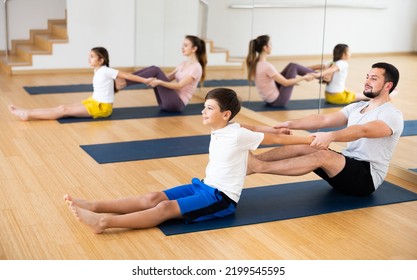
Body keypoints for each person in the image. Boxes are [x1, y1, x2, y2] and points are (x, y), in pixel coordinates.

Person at [64, 87, 314, 234]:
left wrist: (310, 141)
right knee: (153, 197)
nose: (203, 112)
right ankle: (95, 206)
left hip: (221, 199)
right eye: (204, 107)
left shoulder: (237, 135)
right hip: (203, 186)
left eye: (209, 108)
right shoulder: (231, 127)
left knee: (163, 209)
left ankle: (103, 222)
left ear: (224, 114)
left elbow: (277, 142)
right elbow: (247, 124)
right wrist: (273, 127)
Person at [245, 62, 403, 196]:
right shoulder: (358, 107)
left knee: (322, 155)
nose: (367, 81)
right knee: (307, 146)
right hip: (345, 166)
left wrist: (331, 136)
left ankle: (258, 166)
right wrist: (290, 124)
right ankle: (248, 163)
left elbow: (363, 131)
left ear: (388, 85)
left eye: (374, 79)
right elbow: (324, 119)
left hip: (366, 177)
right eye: (367, 77)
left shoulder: (391, 115)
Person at [8, 47, 153, 121]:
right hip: (94, 101)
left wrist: (145, 80)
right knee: (62, 107)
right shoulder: (99, 70)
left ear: (101, 60)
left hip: (102, 108)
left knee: (63, 111)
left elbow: (127, 75)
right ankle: (27, 111)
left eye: (92, 57)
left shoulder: (105, 70)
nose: (89, 59)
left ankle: (27, 114)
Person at [116, 35, 207, 112]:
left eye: (186, 45)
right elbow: (167, 77)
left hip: (176, 104)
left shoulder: (196, 67)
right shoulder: (183, 63)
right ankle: (123, 81)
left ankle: (123, 82)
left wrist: (159, 82)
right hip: (165, 102)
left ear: (194, 48)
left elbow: (179, 86)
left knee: (156, 70)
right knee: (154, 70)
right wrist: (151, 80)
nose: (182, 47)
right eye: (182, 45)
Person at [245, 34, 316, 107]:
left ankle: (320, 74)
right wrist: (304, 78)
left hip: (268, 100)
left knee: (292, 66)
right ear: (265, 48)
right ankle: (320, 75)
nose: (272, 46)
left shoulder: (256, 64)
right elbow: (286, 83)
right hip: (278, 101)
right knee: (294, 66)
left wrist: (310, 69)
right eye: (270, 44)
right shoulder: (267, 66)